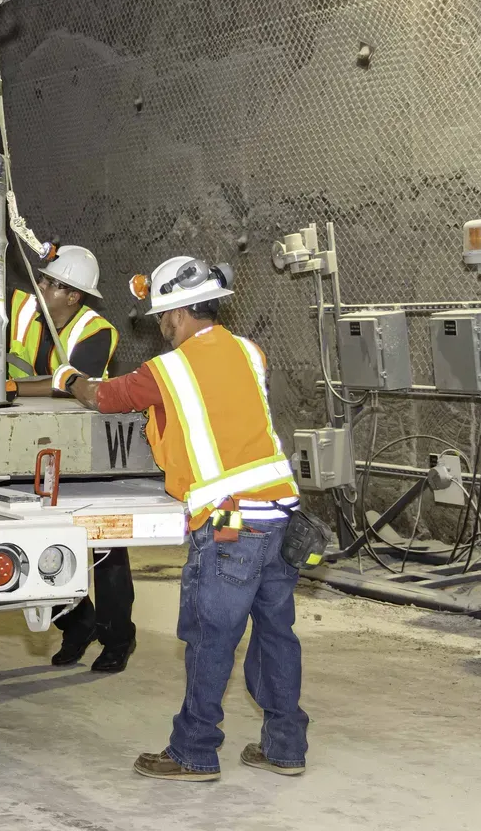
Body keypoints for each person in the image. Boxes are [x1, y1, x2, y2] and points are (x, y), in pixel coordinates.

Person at [65, 255, 309, 782]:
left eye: (161, 317)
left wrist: (69, 378)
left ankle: (194, 751)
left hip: (230, 519)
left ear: (176, 313)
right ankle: (285, 747)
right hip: (281, 514)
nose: (162, 327)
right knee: (275, 633)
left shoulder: (168, 370)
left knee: (211, 633)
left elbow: (104, 397)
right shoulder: (250, 351)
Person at [5, 244, 134, 672]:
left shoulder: (98, 331)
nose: (40, 287)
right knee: (41, 542)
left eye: (50, 284)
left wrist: (11, 388)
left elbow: (71, 386)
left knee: (106, 547)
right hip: (32, 442)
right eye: (43, 280)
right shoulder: (26, 310)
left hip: (84, 446)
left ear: (74, 295)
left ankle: (118, 638)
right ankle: (78, 624)